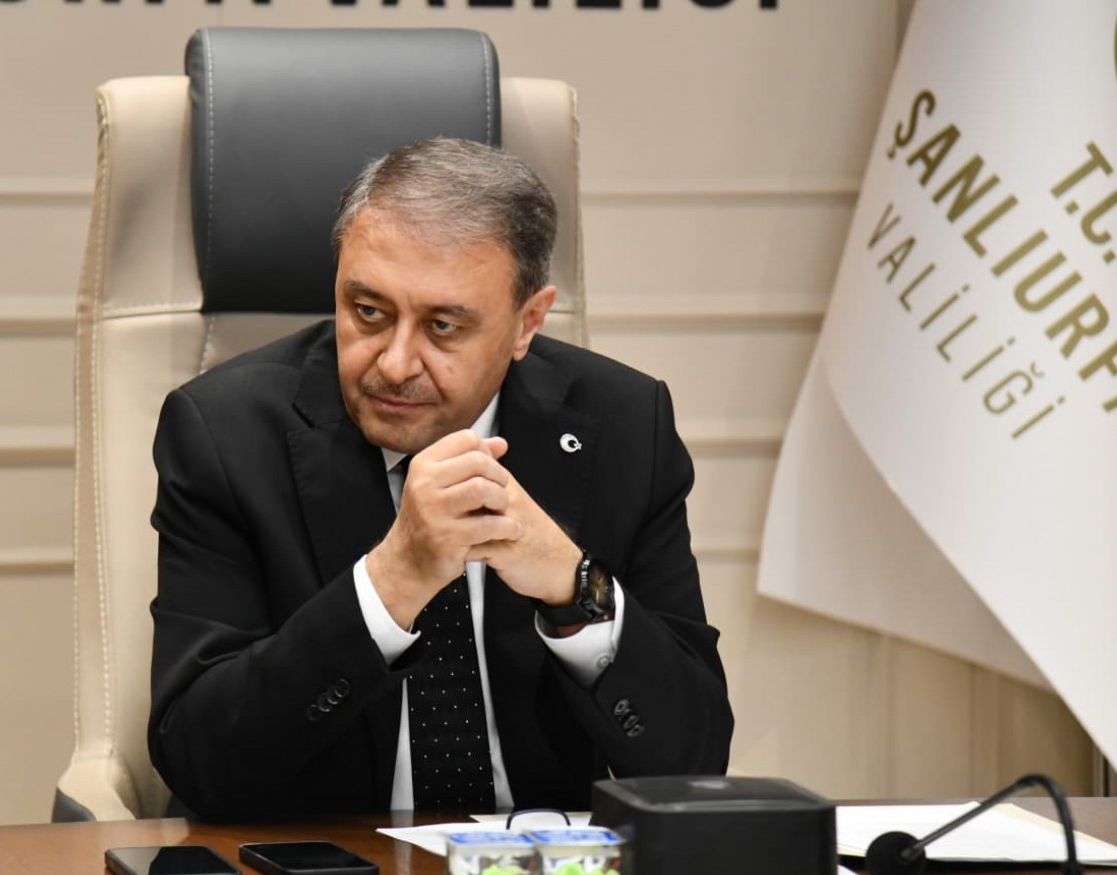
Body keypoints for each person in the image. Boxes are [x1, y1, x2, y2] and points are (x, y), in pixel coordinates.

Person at [147, 137, 732, 820]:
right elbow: (200, 761)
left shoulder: (624, 424)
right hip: (325, 861)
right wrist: (392, 580)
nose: (394, 364)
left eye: (443, 326)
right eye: (368, 313)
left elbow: (693, 765)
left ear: (527, 323)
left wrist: (574, 590)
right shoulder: (225, 434)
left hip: (536, 864)